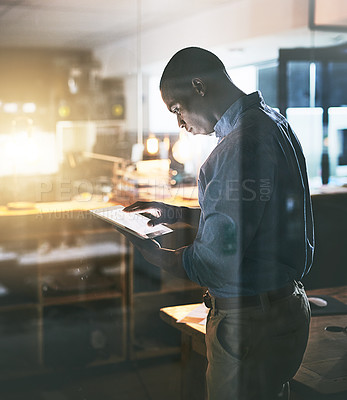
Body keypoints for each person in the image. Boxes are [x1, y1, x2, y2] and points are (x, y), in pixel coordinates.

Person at [119, 47, 314, 400]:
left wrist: (159, 257)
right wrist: (175, 212)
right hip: (286, 310)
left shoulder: (235, 148)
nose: (179, 123)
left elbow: (214, 264)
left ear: (199, 86)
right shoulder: (274, 123)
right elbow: (250, 217)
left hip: (250, 324)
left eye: (177, 109)